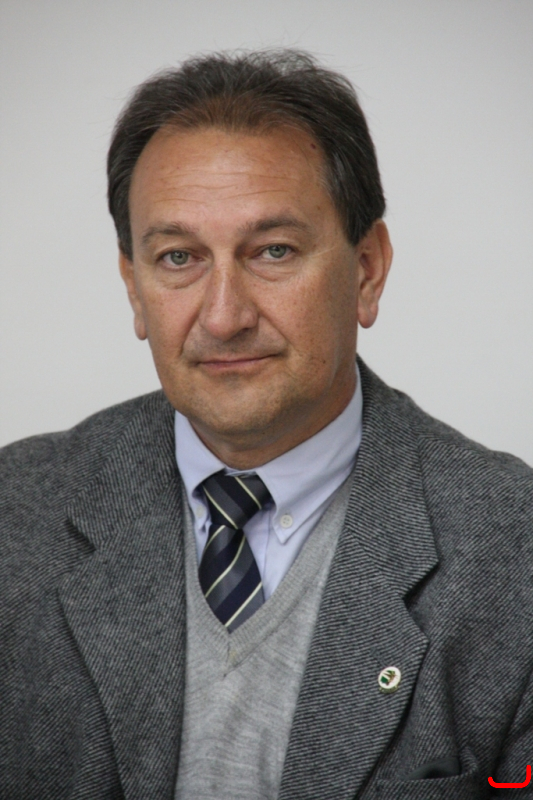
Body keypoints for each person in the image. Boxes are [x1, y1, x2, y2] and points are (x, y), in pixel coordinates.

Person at [1, 49, 532, 800]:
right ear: (134, 288)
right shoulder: (15, 514)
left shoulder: (514, 552)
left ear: (368, 268)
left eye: (273, 251)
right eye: (178, 257)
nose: (224, 316)